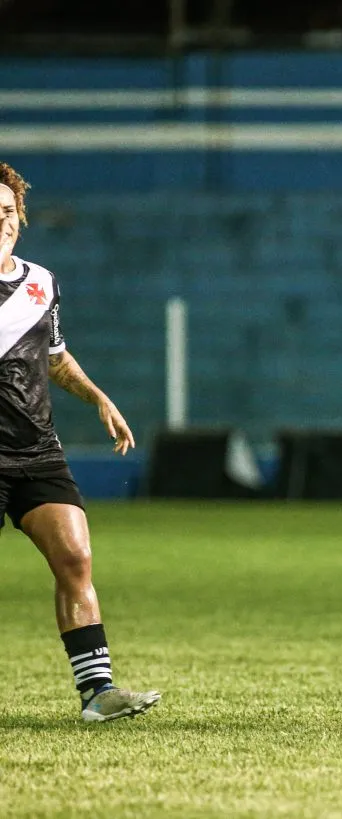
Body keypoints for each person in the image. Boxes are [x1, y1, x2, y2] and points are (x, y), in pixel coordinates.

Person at [0, 162, 160, 721]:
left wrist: (97, 397)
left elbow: (54, 356)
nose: (2, 221)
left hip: (36, 449)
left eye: (8, 211)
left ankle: (98, 693)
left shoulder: (41, 282)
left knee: (75, 558)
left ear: (21, 216)